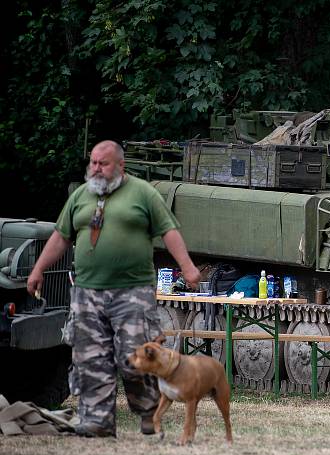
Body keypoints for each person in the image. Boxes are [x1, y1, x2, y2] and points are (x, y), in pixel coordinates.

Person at [26, 140, 201, 438]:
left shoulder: (142, 193)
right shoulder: (81, 196)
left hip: (131, 291)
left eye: (103, 163)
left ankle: (148, 411)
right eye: (93, 162)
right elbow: (61, 236)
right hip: (87, 292)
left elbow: (168, 231)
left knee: (135, 358)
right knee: (90, 357)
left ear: (120, 165)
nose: (96, 169)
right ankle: (97, 421)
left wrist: (187, 267)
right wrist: (38, 269)